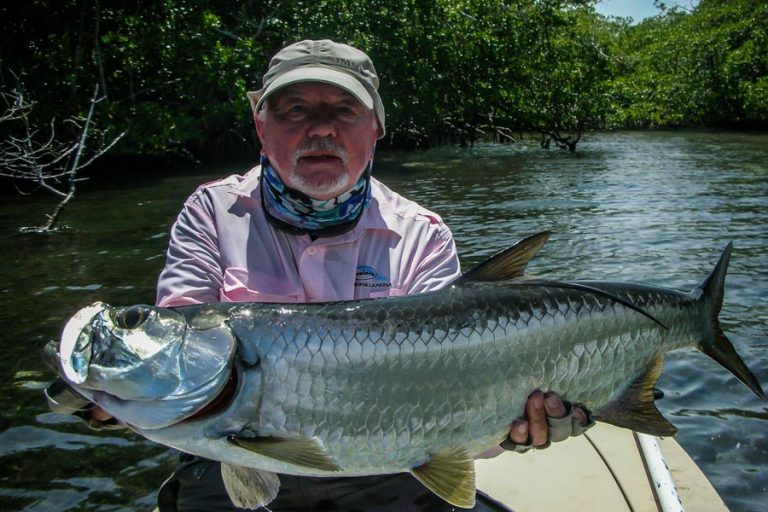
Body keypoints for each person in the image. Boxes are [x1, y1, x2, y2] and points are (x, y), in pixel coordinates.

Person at [94, 39, 592, 511]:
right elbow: (181, 359)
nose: (321, 129)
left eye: (343, 110)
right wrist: (114, 390)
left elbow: (453, 393)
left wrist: (507, 426)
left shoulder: (422, 235)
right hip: (230, 457)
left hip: (387, 468)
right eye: (296, 110)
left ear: (375, 126)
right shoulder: (210, 212)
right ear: (260, 124)